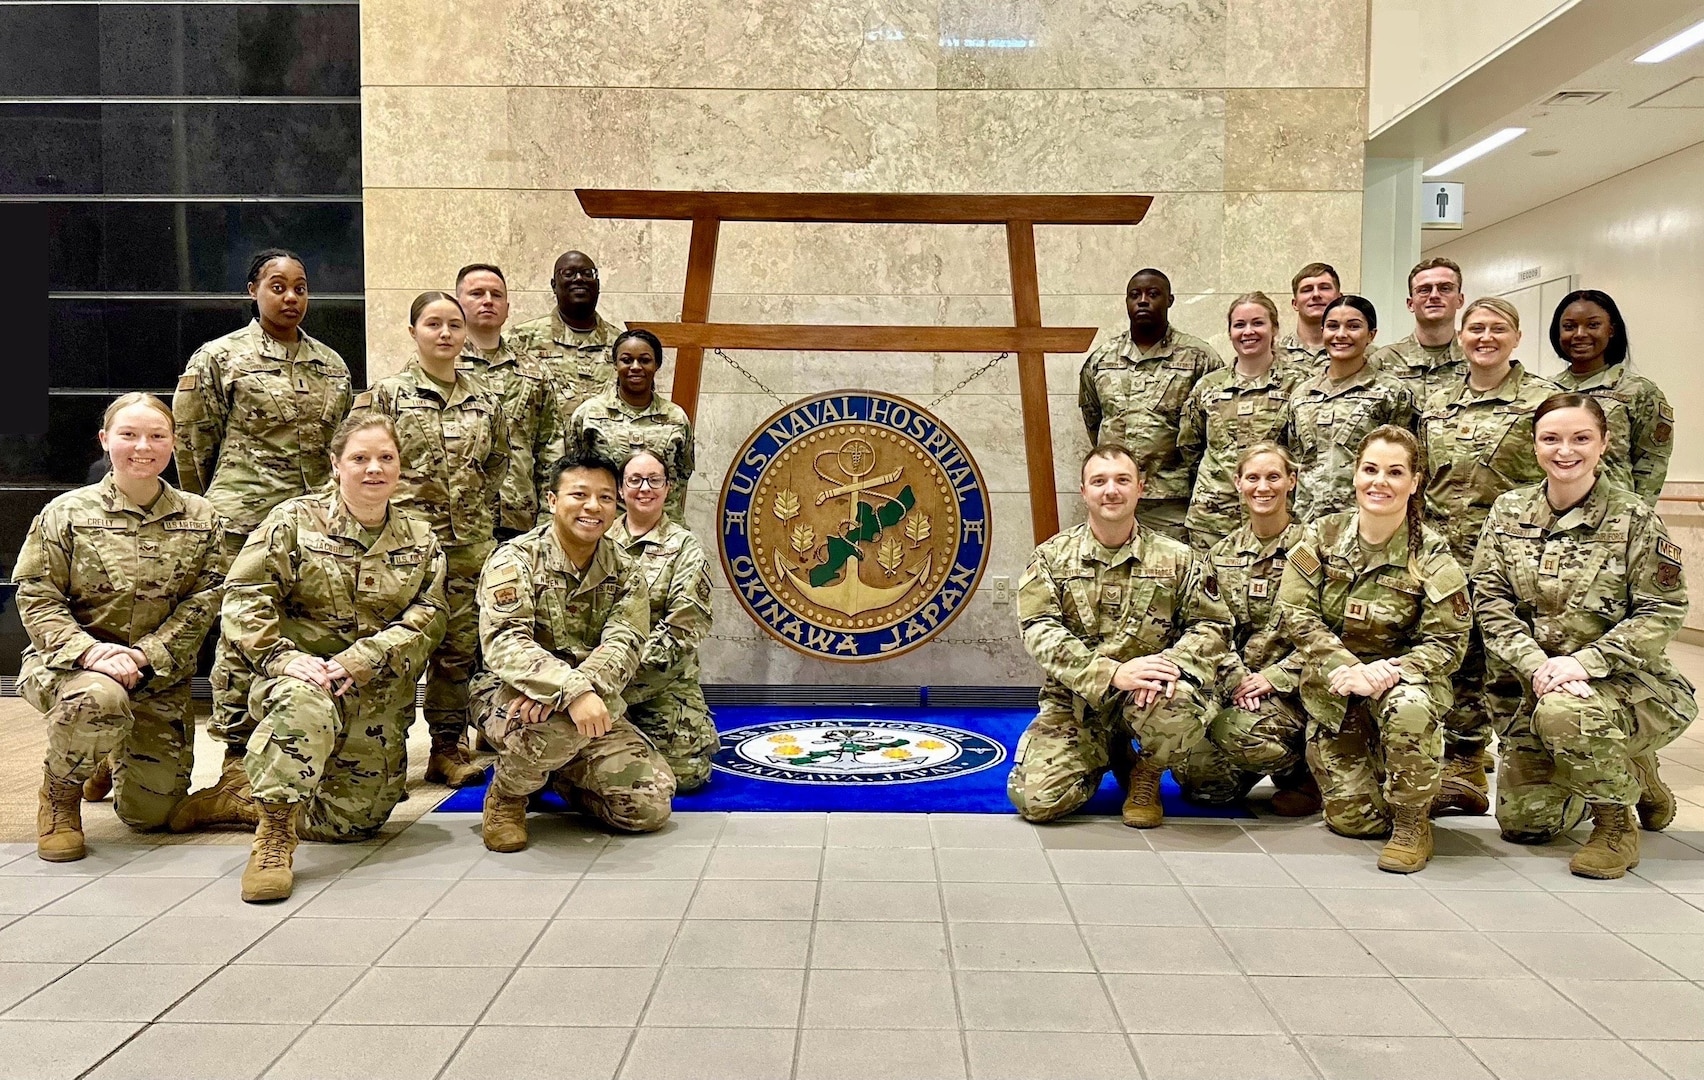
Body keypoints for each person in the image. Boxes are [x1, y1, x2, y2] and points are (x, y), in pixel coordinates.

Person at [218, 413, 447, 901]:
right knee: (305, 706)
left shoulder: (421, 539)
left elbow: (430, 615)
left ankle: (239, 800)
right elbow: (244, 595)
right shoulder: (293, 523)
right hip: (297, 677)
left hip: (372, 690)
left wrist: (365, 658)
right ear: (335, 463)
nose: (373, 469)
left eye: (386, 458)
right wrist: (280, 658)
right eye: (359, 458)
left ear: (400, 466)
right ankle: (274, 833)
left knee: (352, 825)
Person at [1472, 394, 1695, 877]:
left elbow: (1663, 608)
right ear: (1534, 446)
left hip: (1630, 689)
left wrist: (1584, 663)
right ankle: (1626, 770)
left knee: (1564, 712)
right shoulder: (1509, 512)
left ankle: (1615, 824)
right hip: (1537, 690)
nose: (1564, 450)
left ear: (1604, 444)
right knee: (1525, 825)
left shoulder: (1634, 518)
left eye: (1580, 438)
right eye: (1550, 439)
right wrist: (1537, 665)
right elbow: (1489, 602)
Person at [17, 394, 230, 861]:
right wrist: (93, 655)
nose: (143, 447)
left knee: (151, 816)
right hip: (73, 670)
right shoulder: (65, 514)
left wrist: (145, 655)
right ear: (105, 441)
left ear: (173, 443)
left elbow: (206, 597)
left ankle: (101, 751)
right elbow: (36, 595)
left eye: (157, 436)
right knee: (100, 698)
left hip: (156, 676)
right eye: (128, 435)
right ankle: (60, 797)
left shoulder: (201, 517)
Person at [172, 248, 353, 771]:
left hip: (312, 523)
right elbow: (192, 442)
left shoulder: (332, 365)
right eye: (278, 286)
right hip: (241, 520)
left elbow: (336, 447)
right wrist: (215, 505)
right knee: (239, 635)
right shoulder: (218, 358)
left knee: (306, 628)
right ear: (253, 291)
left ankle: (305, 748)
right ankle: (235, 756)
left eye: (300, 286)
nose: (291, 296)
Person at [1008, 444, 1233, 828]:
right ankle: (1102, 754)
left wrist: (1169, 667)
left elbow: (1213, 625)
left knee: (1209, 774)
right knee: (1038, 802)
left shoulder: (1178, 558)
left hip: (1149, 695)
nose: (1111, 490)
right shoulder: (1051, 558)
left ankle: (1146, 769)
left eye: (1122, 480)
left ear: (1140, 488)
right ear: (1084, 491)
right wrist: (1110, 674)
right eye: (1099, 481)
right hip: (1078, 702)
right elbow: (1038, 629)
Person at [1278, 426, 1470, 873]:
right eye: (1370, 469)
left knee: (1408, 706)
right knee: (1354, 822)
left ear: (1415, 482)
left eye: (1395, 472)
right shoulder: (1321, 537)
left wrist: (1388, 671)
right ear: (1355, 475)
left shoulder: (1433, 557)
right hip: (1337, 693)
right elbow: (1297, 614)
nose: (1379, 482)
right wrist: (1349, 667)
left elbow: (1448, 643)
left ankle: (1412, 820)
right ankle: (1428, 784)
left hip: (1400, 687)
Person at [476, 452, 675, 851]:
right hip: (512, 694)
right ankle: (508, 795)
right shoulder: (515, 559)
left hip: (592, 700)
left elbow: (626, 641)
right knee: (557, 726)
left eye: (604, 497)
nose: (592, 507)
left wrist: (582, 691)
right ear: (552, 501)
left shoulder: (624, 568)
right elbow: (504, 640)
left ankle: (555, 773)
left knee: (648, 805)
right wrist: (569, 689)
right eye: (579, 495)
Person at [356, 292, 510, 786]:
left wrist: (474, 513)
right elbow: (361, 459)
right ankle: (382, 754)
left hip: (468, 546)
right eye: (432, 324)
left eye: (454, 325)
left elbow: (497, 462)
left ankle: (447, 745)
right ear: (413, 331)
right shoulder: (387, 395)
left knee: (459, 649)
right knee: (395, 645)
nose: (445, 334)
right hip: (401, 547)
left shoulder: (485, 398)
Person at [1420, 297, 1558, 815]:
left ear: (1517, 337)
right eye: (1475, 328)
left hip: (1513, 554)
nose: (1485, 337)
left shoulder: (1543, 400)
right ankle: (1463, 761)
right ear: (1460, 336)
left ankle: (1534, 759)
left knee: (1505, 663)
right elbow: (1422, 478)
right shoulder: (1435, 402)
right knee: (1455, 655)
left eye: (1497, 328)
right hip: (1444, 554)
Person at [1173, 444, 1318, 815]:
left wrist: (1276, 676)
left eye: (1273, 477)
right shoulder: (1220, 555)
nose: (1262, 487)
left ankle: (1302, 769)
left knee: (1237, 733)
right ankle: (1252, 761)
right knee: (1198, 780)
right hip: (1237, 689)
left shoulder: (1317, 550)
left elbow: (1332, 633)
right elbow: (1208, 627)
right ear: (1238, 483)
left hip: (1299, 690)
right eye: (1252, 478)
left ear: (1292, 481)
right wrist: (1236, 678)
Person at [1077, 268, 1223, 541]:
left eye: (1153, 294)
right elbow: (1094, 419)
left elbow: (1214, 431)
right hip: (1113, 497)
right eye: (1135, 295)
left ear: (1170, 300)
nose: (1143, 300)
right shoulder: (1101, 360)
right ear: (1127, 302)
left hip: (1171, 500)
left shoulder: (1199, 359)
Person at [608, 450, 716, 789]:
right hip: (594, 679)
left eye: (654, 480)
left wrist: (611, 680)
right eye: (635, 480)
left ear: (668, 488)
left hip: (659, 682)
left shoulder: (686, 548)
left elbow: (682, 630)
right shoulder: (597, 539)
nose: (645, 488)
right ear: (621, 489)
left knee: (686, 778)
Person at [455, 263, 565, 538]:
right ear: (457, 304)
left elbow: (551, 447)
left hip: (519, 518)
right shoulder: (437, 366)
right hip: (455, 523)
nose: (488, 301)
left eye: (496, 294)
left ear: (507, 307)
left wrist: (549, 516)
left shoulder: (533, 372)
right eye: (477, 293)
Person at [1178, 292, 1293, 551]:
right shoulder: (1208, 386)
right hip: (1213, 519)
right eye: (1239, 325)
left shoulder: (1298, 385)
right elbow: (1189, 446)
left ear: (1274, 328)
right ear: (1229, 332)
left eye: (1258, 323)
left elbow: (1302, 451)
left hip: (1276, 516)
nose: (1248, 331)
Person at [1287, 296, 1416, 522]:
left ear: (1371, 335)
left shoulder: (1391, 392)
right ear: (1322, 331)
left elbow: (1408, 464)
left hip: (1368, 524)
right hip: (1307, 525)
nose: (1341, 334)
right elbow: (1295, 460)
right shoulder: (1302, 395)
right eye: (1332, 326)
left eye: (1353, 326)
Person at [1549, 289, 1673, 505]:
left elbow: (1651, 464)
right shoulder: (1544, 390)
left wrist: (1637, 519)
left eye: (1593, 325)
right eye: (1569, 327)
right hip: (1551, 514)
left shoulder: (1638, 391)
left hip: (1613, 518)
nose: (1579, 334)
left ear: (1611, 330)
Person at [568, 329, 695, 524]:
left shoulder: (675, 417)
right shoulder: (588, 414)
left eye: (644, 360)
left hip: (664, 530)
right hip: (604, 527)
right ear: (615, 364)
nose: (635, 367)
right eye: (627, 360)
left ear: (657, 364)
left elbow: (683, 472)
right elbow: (574, 472)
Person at [511, 250, 622, 426]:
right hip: (543, 452)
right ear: (554, 285)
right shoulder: (519, 340)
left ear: (598, 284)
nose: (579, 279)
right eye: (568, 274)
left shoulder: (622, 345)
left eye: (587, 274)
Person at [1371, 257, 1467, 404]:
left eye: (1445, 288)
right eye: (1424, 290)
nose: (1434, 295)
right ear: (1410, 304)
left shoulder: (1475, 360)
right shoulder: (1382, 361)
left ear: (1460, 300)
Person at [1277, 262, 1341, 375]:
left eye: (1324, 288)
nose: (1316, 295)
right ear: (1295, 304)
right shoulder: (1274, 354)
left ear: (1339, 299)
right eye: (1307, 290)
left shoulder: (1363, 354)